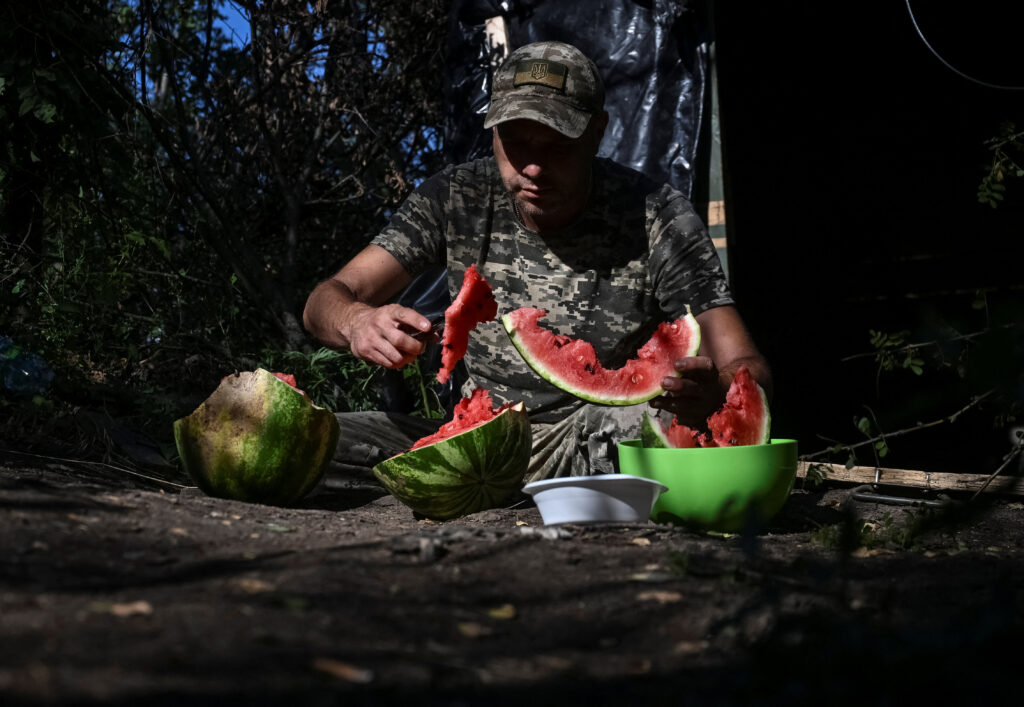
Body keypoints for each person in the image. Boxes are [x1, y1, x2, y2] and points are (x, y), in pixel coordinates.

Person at [303, 41, 772, 484]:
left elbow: (748, 366)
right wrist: (356, 321)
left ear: (598, 132)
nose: (532, 167)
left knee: (637, 422)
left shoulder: (657, 216)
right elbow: (324, 301)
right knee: (303, 438)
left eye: (556, 145)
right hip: (475, 439)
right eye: (515, 140)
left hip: (595, 440)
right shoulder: (456, 197)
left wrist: (715, 391)